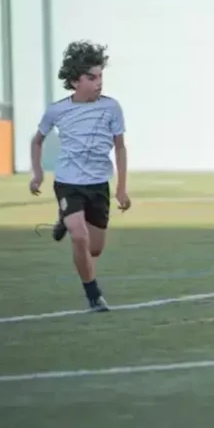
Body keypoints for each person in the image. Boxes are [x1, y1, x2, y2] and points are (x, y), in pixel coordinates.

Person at [29, 41, 131, 312]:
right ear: (75, 81)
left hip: (98, 185)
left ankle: (66, 218)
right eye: (91, 78)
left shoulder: (112, 108)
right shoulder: (57, 110)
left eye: (100, 77)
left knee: (94, 249)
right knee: (79, 236)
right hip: (68, 183)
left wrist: (121, 188)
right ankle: (94, 295)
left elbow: (120, 146)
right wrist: (38, 173)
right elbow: (37, 141)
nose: (98, 83)